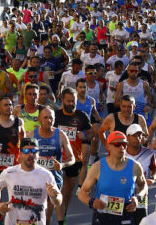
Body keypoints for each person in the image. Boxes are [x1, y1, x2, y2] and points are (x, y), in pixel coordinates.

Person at [78, 131, 148, 225]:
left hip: (126, 214)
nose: (122, 148)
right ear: (108, 147)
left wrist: (137, 198)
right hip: (102, 216)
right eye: (117, 144)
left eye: (124, 144)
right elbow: (82, 192)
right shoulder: (97, 167)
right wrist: (91, 201)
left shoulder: (135, 166)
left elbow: (143, 185)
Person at [0, 137, 63, 225]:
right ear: (20, 154)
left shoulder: (46, 175)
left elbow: (58, 200)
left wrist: (54, 196)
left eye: (34, 151)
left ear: (38, 154)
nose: (30, 154)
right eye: (26, 151)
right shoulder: (9, 172)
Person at [27, 106, 75, 225]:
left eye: (51, 118)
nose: (49, 120)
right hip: (36, 180)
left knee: (49, 213)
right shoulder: (32, 135)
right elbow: (22, 157)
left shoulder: (60, 135)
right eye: (46, 118)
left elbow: (72, 158)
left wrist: (62, 165)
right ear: (39, 119)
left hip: (54, 179)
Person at [55, 87, 94, 221]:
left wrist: (85, 136)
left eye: (73, 101)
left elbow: (91, 134)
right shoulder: (56, 115)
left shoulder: (82, 115)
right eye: (68, 101)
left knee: (67, 192)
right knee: (56, 190)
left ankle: (63, 215)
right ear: (62, 100)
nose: (71, 103)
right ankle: (57, 216)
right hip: (58, 158)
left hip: (74, 159)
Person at [125, 123, 156, 223]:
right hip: (124, 194)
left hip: (141, 195)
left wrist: (152, 178)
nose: (137, 138)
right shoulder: (121, 153)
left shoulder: (149, 153)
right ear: (128, 137)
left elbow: (155, 169)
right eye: (134, 135)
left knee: (141, 221)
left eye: (139, 135)